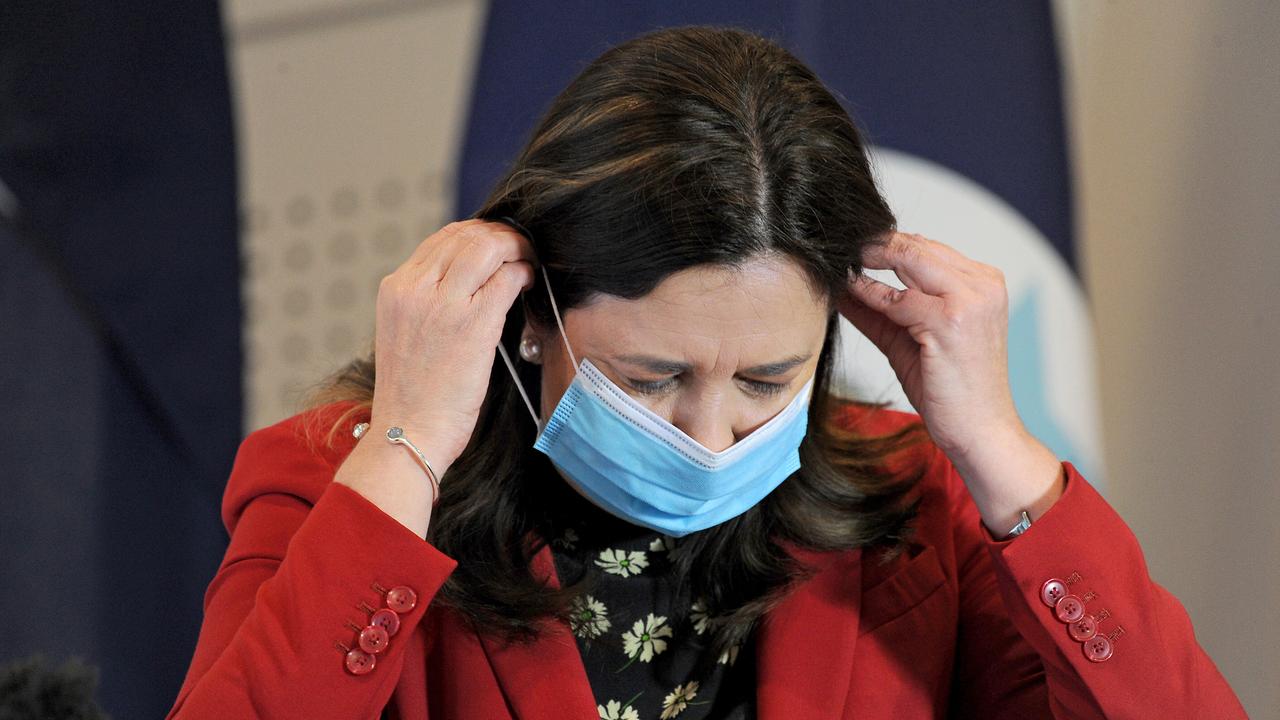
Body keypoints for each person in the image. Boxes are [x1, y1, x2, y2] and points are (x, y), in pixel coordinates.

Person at [167, 25, 1246, 720]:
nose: (709, 432)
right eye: (648, 379)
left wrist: (1002, 459)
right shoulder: (338, 489)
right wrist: (404, 449)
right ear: (528, 315)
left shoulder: (908, 499)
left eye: (766, 379)